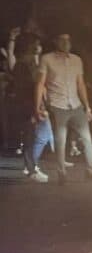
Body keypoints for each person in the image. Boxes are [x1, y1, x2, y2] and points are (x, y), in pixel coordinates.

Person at [36, 33, 92, 184]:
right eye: (62, 40)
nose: (66, 43)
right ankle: (61, 173)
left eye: (68, 40)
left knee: (87, 138)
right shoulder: (47, 59)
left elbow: (81, 84)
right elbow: (40, 84)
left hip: (75, 105)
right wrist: (37, 106)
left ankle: (91, 171)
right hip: (57, 105)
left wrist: (87, 106)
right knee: (60, 141)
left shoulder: (76, 60)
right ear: (55, 41)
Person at [9, 31, 53, 182]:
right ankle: (31, 169)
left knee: (37, 136)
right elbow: (31, 87)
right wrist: (36, 108)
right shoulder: (25, 65)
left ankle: (31, 166)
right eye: (36, 44)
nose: (39, 47)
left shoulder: (28, 63)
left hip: (29, 104)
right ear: (30, 46)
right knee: (31, 137)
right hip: (29, 105)